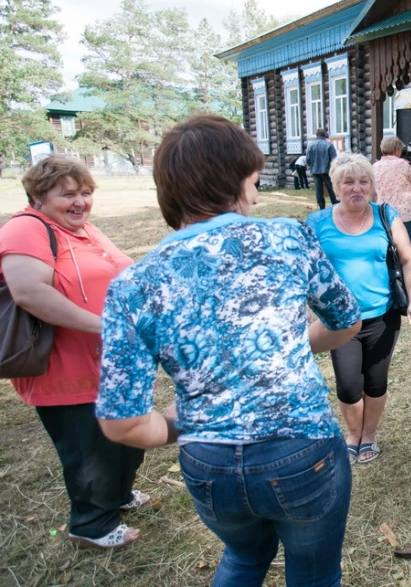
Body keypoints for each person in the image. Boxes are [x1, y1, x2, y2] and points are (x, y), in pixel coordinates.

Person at [94, 115, 363, 586]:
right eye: (254, 181)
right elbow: (346, 321)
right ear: (238, 180)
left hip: (208, 465)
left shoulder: (131, 285)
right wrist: (286, 352)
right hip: (302, 449)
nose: (256, 195)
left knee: (242, 559)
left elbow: (123, 423)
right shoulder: (286, 237)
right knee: (315, 575)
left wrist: (186, 421)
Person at [0, 156, 146, 550]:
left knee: (125, 437)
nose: (80, 202)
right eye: (67, 194)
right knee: (88, 448)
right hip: (65, 367)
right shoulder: (26, 229)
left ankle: (118, 495)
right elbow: (30, 292)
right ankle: (92, 525)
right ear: (37, 196)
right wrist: (107, 326)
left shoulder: (83, 230)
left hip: (111, 361)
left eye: (86, 193)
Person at [306, 154, 411, 465]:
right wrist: (307, 312)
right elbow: (304, 272)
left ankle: (369, 434)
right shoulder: (317, 223)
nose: (356, 188)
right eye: (348, 182)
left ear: (372, 187)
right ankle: (352, 433)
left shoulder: (386, 215)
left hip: (382, 317)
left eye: (363, 182)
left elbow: (409, 260)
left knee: (376, 381)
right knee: (348, 385)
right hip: (337, 321)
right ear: (335, 186)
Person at [374, 136, 411, 247]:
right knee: (407, 249)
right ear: (396, 150)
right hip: (404, 213)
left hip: (384, 214)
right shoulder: (402, 165)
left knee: (389, 250)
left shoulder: (375, 166)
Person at [306, 128, 339, 209]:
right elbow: (334, 159)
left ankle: (321, 208)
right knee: (331, 189)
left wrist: (312, 166)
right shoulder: (329, 145)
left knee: (318, 190)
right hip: (327, 171)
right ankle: (335, 206)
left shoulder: (311, 145)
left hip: (315, 171)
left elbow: (308, 160)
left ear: (316, 135)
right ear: (324, 135)